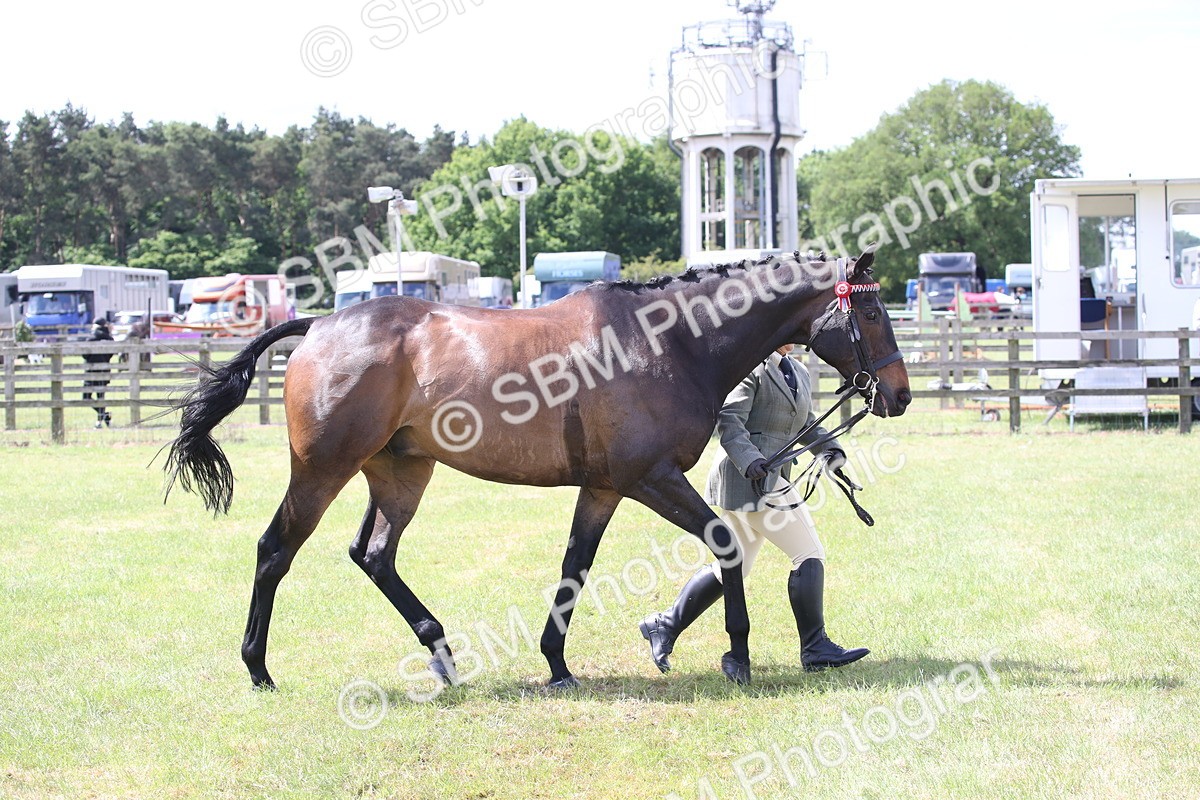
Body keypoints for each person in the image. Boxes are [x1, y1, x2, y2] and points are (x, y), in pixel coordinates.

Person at [639, 343, 870, 673]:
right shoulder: (750, 368)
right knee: (808, 553)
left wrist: (830, 449)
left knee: (734, 567)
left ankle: (664, 625)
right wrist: (751, 461)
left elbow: (806, 424)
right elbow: (730, 422)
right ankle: (815, 648)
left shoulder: (799, 372)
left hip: (766, 479)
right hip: (750, 477)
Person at [83, 318, 114, 428]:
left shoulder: (90, 339)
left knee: (86, 397)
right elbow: (111, 354)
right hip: (104, 370)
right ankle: (104, 416)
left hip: (90, 371)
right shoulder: (110, 339)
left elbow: (85, 355)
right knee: (101, 397)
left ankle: (101, 419)